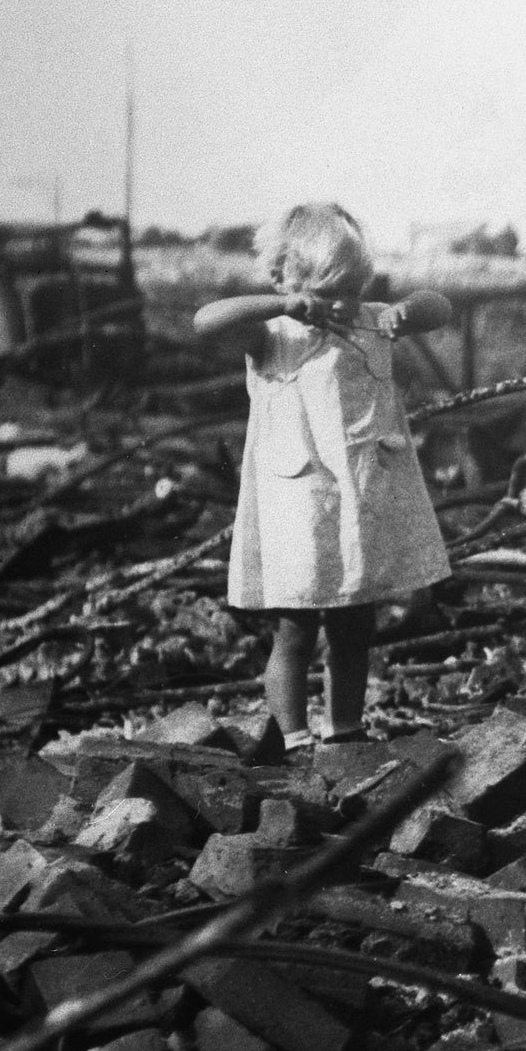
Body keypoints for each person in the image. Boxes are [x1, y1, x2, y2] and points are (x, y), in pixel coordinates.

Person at [194, 204, 453, 751]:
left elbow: (440, 305)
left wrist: (404, 311)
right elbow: (205, 320)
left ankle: (345, 731)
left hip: (358, 497)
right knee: (296, 626)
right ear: (282, 277)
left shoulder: (369, 319)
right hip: (297, 502)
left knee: (355, 624)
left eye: (352, 289)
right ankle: (289, 735)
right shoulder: (272, 332)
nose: (341, 304)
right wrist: (285, 303)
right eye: (327, 290)